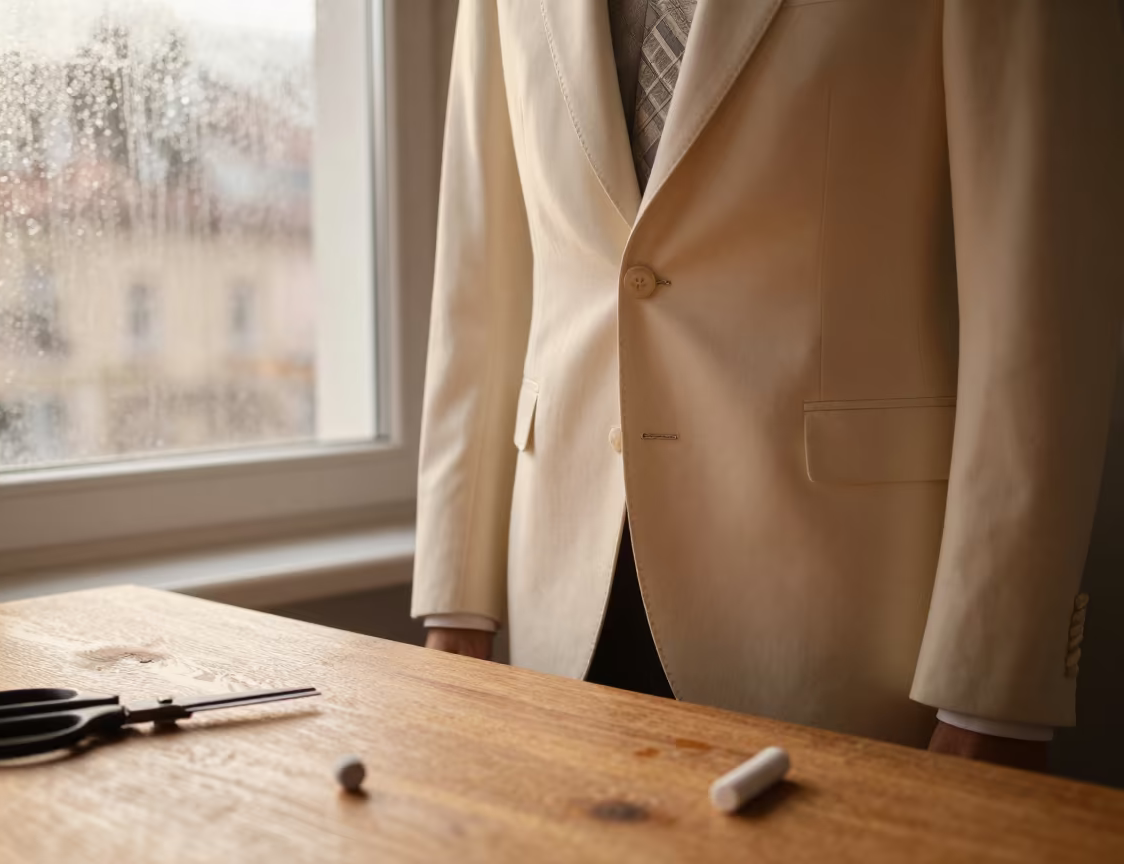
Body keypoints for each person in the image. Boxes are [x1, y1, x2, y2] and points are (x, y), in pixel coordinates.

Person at [412, 0, 1124, 770]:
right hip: (561, 605)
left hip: (847, 629)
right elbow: (478, 266)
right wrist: (457, 604)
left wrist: (997, 685)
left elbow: (1039, 289)